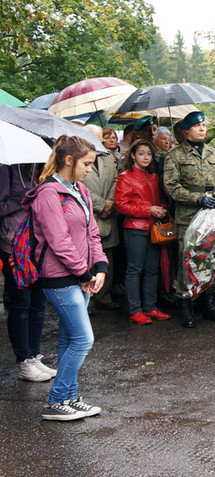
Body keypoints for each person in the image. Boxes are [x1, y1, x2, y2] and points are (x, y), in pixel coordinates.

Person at [24, 135, 106, 421]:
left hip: (81, 276)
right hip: (59, 278)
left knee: (69, 338)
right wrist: (84, 273)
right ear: (69, 160)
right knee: (83, 340)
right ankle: (57, 399)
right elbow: (59, 242)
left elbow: (91, 233)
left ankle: (70, 396)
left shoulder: (80, 190)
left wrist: (100, 267)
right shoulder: (48, 193)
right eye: (86, 163)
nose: (89, 170)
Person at [163, 111, 215, 328]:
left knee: (212, 256)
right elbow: (171, 187)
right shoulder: (174, 156)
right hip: (189, 216)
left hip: (213, 215)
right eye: (197, 126)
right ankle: (185, 302)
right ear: (186, 130)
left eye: (204, 125)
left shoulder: (214, 153)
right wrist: (197, 199)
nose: (203, 129)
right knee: (188, 259)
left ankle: (208, 301)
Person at [0, 164, 54, 382]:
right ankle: (24, 360)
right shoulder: (8, 169)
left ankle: (34, 356)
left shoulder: (43, 169)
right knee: (20, 304)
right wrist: (22, 198)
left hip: (38, 244)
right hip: (13, 245)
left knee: (39, 303)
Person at [114, 140, 171, 325]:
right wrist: (149, 210)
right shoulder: (125, 177)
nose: (146, 157)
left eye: (148, 153)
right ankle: (135, 310)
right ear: (132, 155)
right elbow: (122, 206)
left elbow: (160, 199)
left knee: (152, 270)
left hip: (154, 229)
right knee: (134, 270)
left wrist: (161, 208)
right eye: (141, 153)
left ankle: (150, 306)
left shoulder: (153, 177)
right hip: (135, 230)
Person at [82, 130, 120, 315]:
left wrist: (110, 204)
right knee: (88, 260)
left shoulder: (107, 157)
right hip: (89, 215)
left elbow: (115, 180)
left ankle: (104, 297)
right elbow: (80, 186)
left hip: (108, 215)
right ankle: (88, 301)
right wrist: (101, 205)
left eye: (99, 136)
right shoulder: (78, 158)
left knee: (108, 259)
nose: (99, 139)